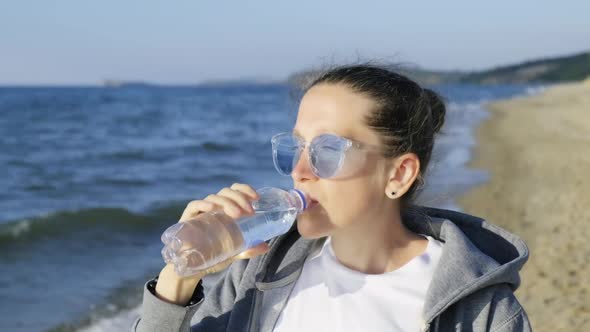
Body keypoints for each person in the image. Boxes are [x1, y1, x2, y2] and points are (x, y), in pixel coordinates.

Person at [132, 65, 531, 332]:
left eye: (327, 152)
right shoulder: (260, 272)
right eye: (296, 147)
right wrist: (180, 277)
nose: (298, 171)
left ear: (399, 174)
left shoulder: (479, 310)